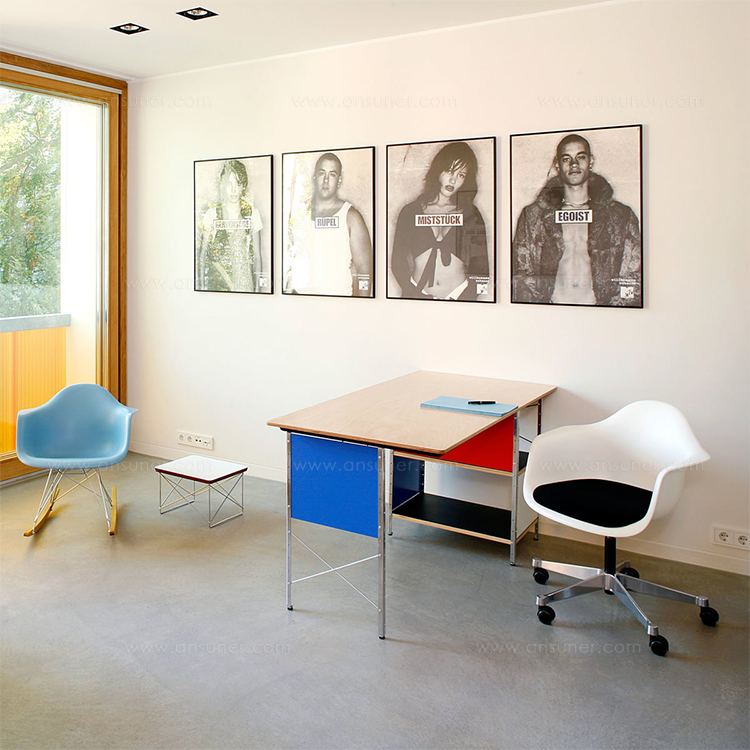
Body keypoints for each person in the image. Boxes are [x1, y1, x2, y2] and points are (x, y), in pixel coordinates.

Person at [512, 133, 642, 306]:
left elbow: (633, 274)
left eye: (580, 157)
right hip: (550, 310)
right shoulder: (533, 216)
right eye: (566, 159)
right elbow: (521, 274)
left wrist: (614, 309)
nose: (574, 164)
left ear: (591, 161)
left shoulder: (620, 216)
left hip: (602, 311)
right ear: (557, 164)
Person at [390, 141, 489, 301]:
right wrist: (412, 293)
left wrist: (466, 299)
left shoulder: (471, 214)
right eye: (449, 171)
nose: (453, 180)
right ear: (438, 170)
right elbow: (398, 261)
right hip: (418, 295)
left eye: (461, 175)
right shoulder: (410, 212)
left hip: (459, 296)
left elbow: (482, 268)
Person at [287, 152, 373, 296]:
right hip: (301, 299)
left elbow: (364, 271)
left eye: (332, 174)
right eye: (322, 173)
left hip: (338, 302)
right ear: (314, 177)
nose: (326, 180)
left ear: (339, 180)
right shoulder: (301, 215)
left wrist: (360, 305)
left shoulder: (350, 216)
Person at [196, 159, 263, 292]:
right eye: (229, 184)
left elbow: (257, 257)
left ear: (243, 186)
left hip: (245, 286)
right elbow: (202, 255)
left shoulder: (252, 214)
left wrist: (258, 290)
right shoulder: (212, 214)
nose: (233, 190)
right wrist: (202, 287)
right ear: (223, 185)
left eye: (238, 184)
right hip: (218, 284)